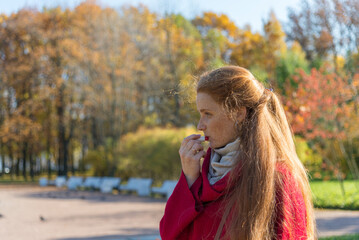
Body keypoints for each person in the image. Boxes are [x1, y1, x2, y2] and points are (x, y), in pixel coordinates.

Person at [159, 66, 316, 240]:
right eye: (200, 114)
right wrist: (189, 179)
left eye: (208, 114)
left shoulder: (276, 179)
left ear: (238, 114)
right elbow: (169, 234)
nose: (200, 125)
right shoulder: (202, 178)